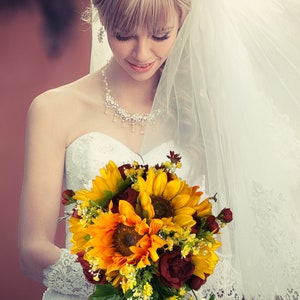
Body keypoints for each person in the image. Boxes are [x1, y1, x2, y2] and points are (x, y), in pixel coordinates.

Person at [19, 0, 300, 300]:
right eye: (124, 34)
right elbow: (32, 250)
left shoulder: (202, 111)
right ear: (102, 18)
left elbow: (233, 243)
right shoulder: (52, 110)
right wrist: (126, 288)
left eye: (160, 35)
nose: (141, 53)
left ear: (182, 22)